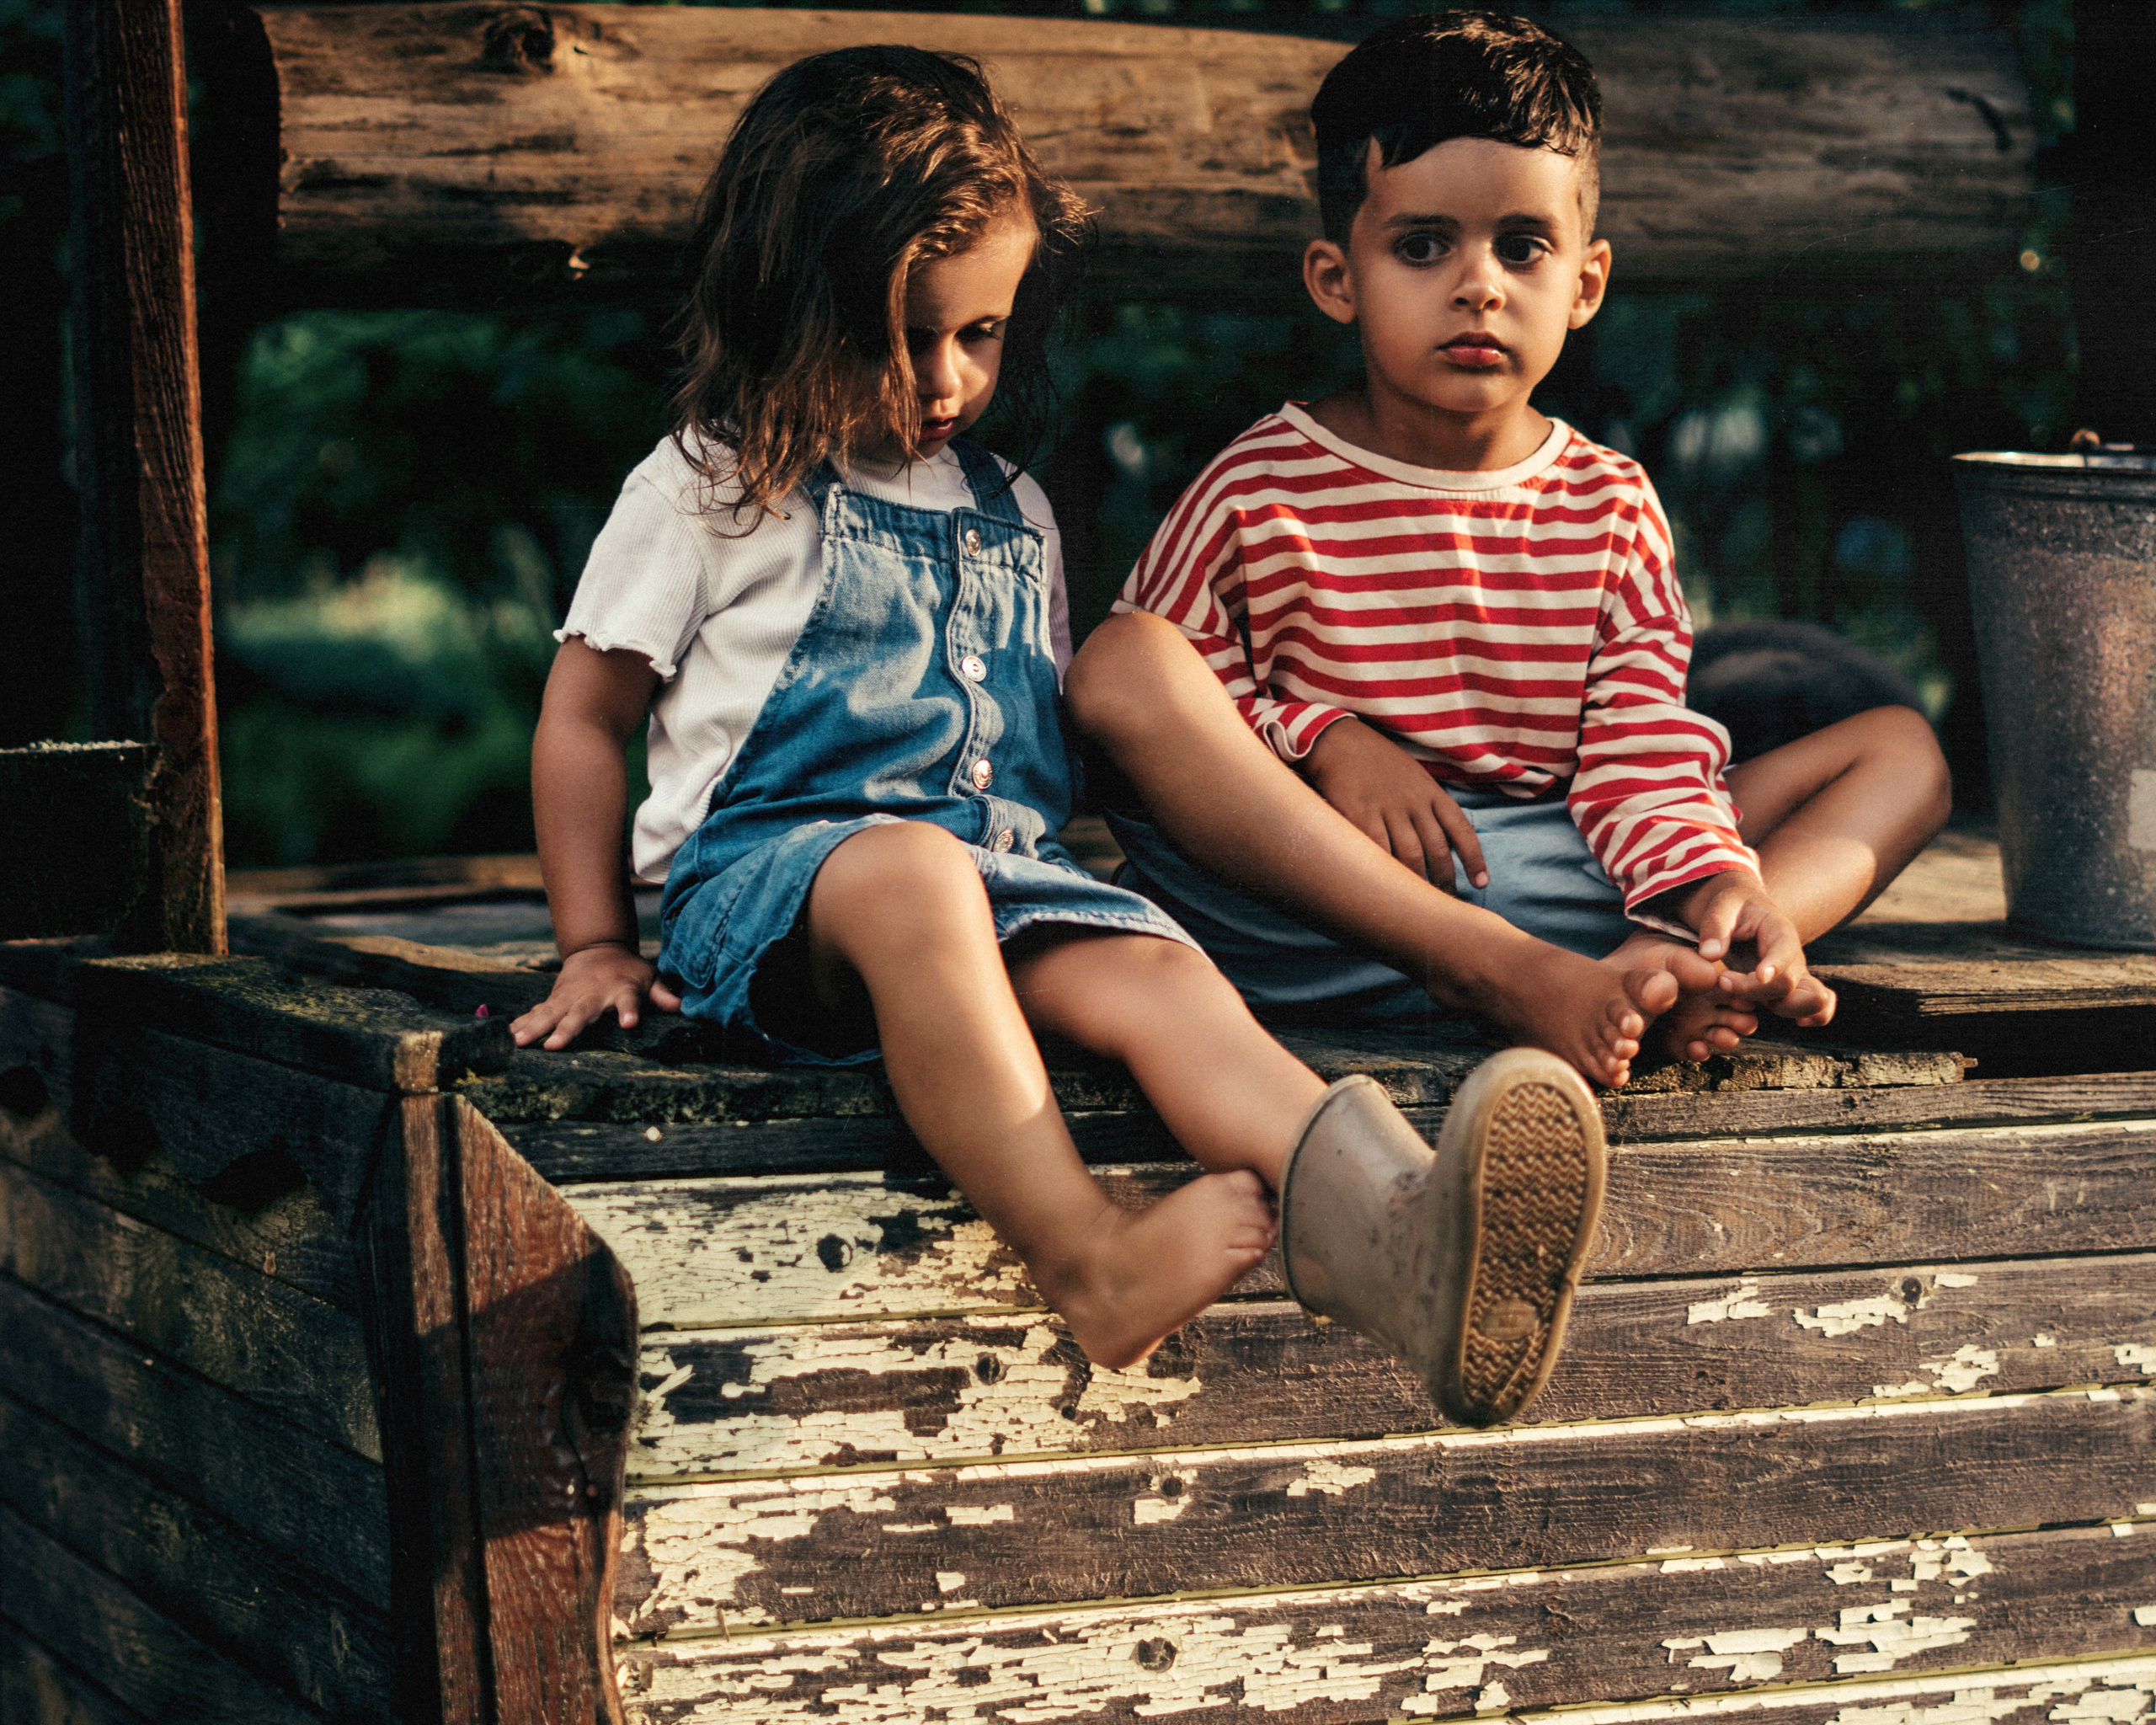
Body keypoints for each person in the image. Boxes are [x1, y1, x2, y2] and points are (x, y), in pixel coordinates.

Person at [509, 44, 1609, 1426]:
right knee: (909, 870)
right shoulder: (713, 484)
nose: (945, 377)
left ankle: (1399, 1230)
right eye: (897, 335)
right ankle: (1086, 1253)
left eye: (977, 334)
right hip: (774, 902)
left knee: (1162, 973)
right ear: (785, 302)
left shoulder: (1008, 505)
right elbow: (582, 717)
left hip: (993, 890)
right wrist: (594, 939)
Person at [1066, 10, 1952, 1088]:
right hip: (1315, 906)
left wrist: (1711, 875)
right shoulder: (1260, 484)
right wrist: (1327, 737)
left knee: (1901, 750)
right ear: (1337, 276)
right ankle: (1515, 974)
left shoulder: (1611, 503)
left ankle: (1691, 953)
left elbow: (1637, 744)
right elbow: (1150, 721)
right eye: (1423, 245)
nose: (1477, 284)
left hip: (1546, 870)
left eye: (1521, 247)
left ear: (1583, 284)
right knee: (1126, 656)